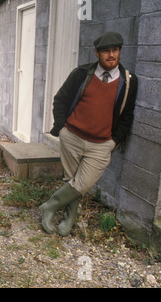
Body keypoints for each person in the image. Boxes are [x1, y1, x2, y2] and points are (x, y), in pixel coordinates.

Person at [40, 32, 138, 236]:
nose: (111, 55)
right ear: (97, 53)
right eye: (106, 51)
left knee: (82, 183)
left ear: (119, 52)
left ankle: (49, 207)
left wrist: (114, 142)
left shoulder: (128, 82)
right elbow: (60, 99)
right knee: (71, 180)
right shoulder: (81, 74)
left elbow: (127, 116)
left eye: (115, 50)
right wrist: (62, 128)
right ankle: (69, 218)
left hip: (102, 144)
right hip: (72, 136)